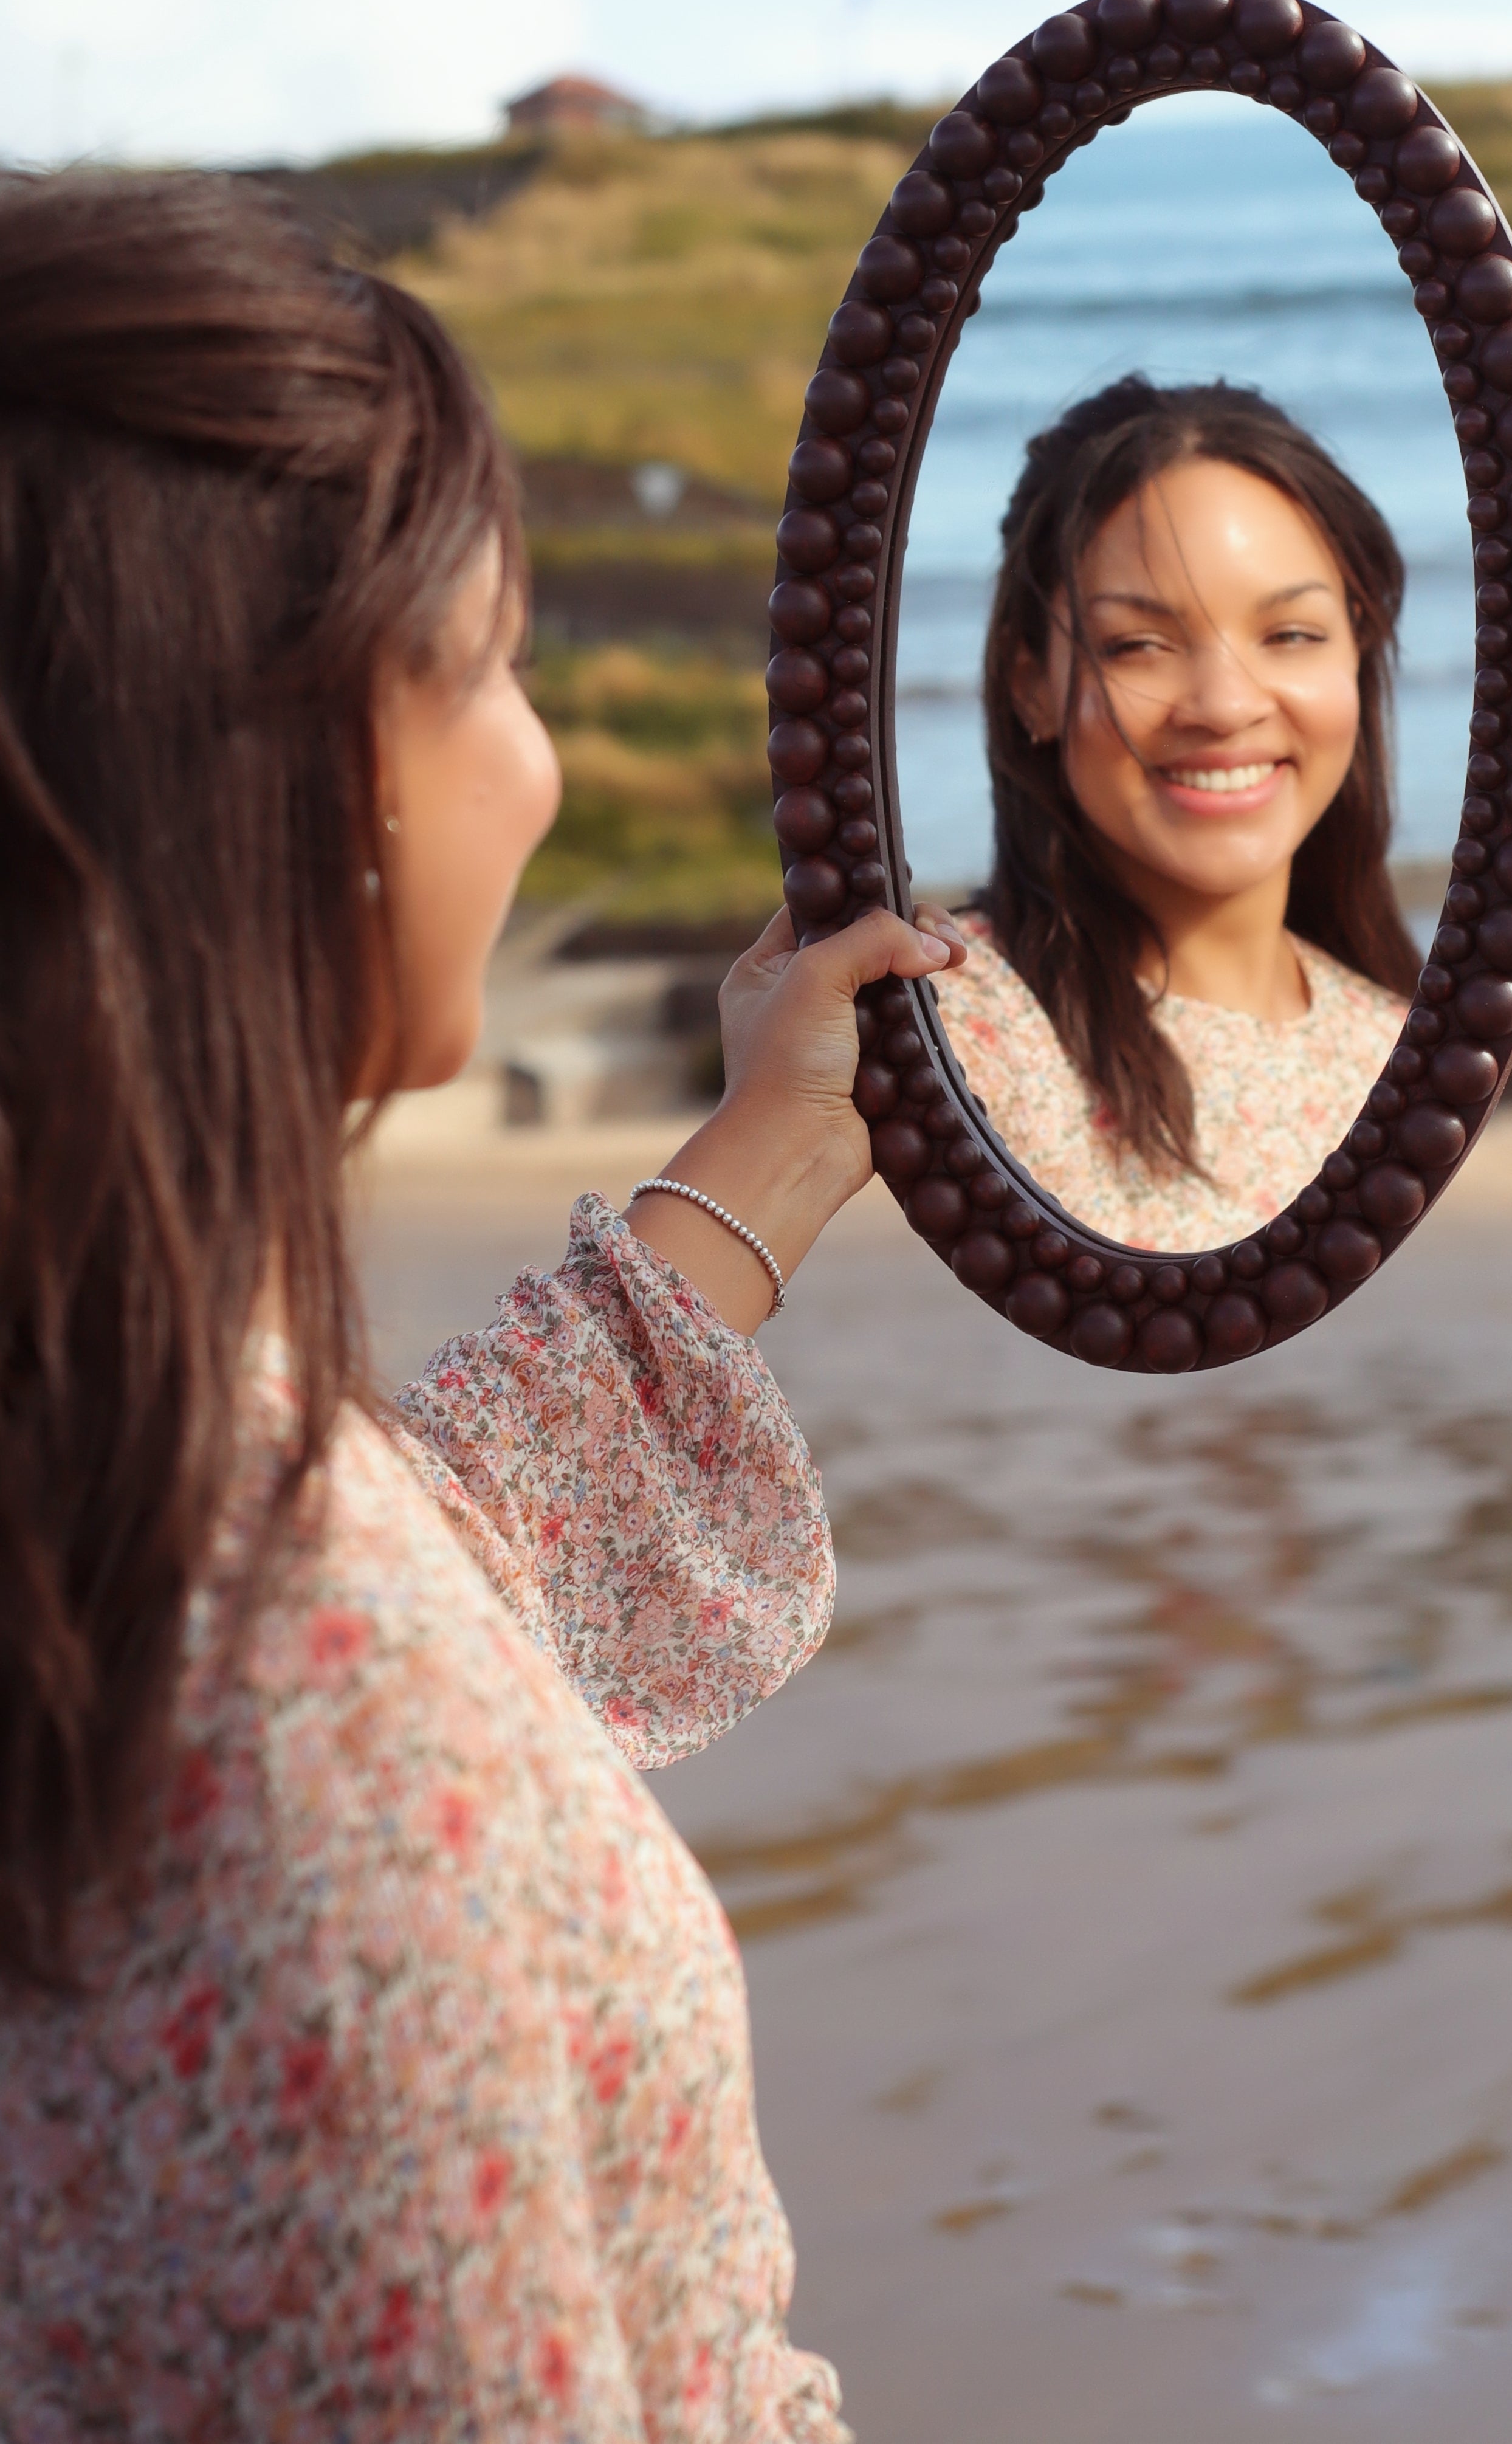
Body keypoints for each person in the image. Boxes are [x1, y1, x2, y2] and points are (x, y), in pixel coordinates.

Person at [0, 170, 965, 2439]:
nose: (534, 756)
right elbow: (361, 1646)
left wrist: (770, 1151)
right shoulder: (291, 1731)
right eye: (498, 660)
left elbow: (413, 1541)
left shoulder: (117, 1461)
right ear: (314, 755)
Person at [930, 376, 1419, 1250]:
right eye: (1140, 645)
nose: (1225, 706)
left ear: (1358, 654)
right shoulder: (957, 1034)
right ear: (1031, 684)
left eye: (1292, 635)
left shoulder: (1402, 1047)